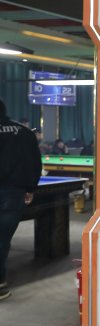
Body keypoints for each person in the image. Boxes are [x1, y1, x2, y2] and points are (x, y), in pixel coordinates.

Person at [0, 97, 41, 300]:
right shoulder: (24, 132)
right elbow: (35, 162)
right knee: (2, 239)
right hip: (14, 192)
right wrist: (30, 188)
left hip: (12, 192)